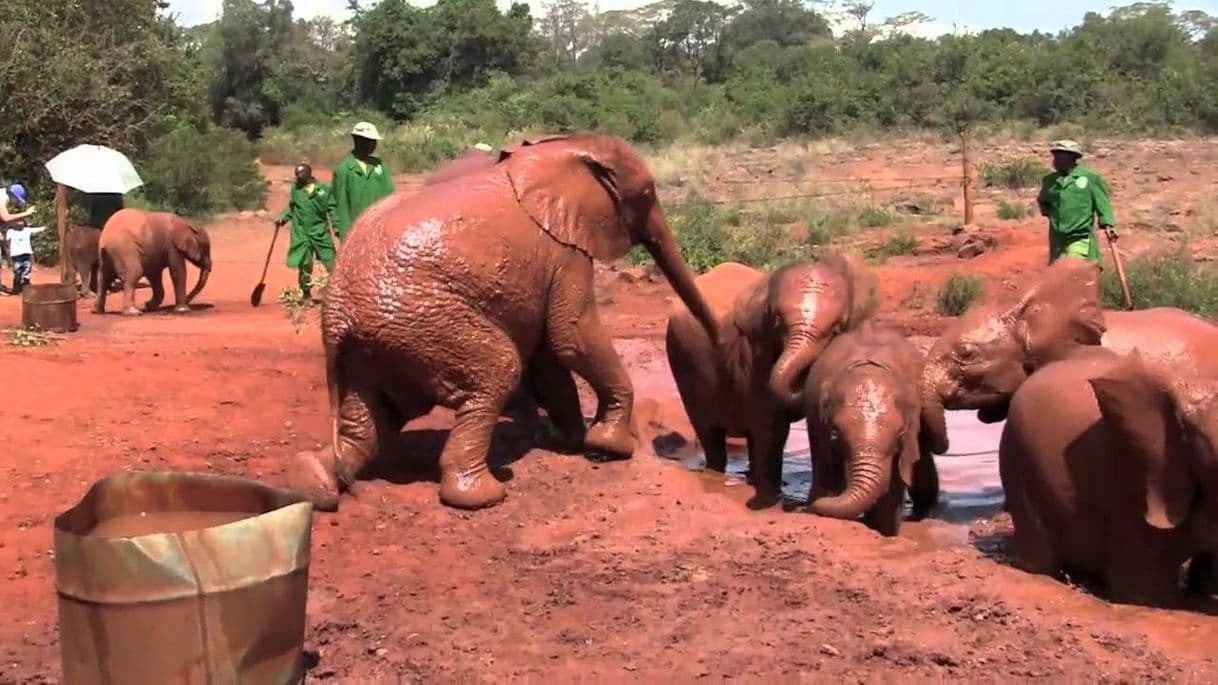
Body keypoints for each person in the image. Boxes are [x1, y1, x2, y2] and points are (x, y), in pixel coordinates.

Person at [1037, 140, 1117, 268]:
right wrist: (1053, 214)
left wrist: (1107, 222)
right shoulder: (1049, 181)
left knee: (1073, 268)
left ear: (1072, 158)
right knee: (1058, 273)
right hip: (1057, 237)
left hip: (1080, 235)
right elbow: (1043, 202)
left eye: (1060, 157)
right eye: (1055, 156)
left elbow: (1102, 202)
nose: (1056, 160)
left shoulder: (1089, 177)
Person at [276, 163, 337, 304]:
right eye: (296, 174)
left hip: (320, 231)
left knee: (331, 261)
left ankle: (336, 293)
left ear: (308, 174)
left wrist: (337, 226)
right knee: (305, 264)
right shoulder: (296, 190)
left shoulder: (324, 190)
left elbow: (332, 208)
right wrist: (282, 218)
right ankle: (306, 294)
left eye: (300, 174)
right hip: (302, 232)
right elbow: (292, 208)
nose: (297, 177)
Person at [331, 121, 394, 242]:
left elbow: (390, 197)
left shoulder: (379, 166)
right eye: (371, 141)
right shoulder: (344, 171)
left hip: (379, 229)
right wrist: (343, 232)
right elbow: (340, 205)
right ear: (358, 140)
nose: (375, 144)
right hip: (355, 233)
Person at [5, 221, 47, 295]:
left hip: (26, 254)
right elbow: (8, 243)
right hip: (16, 255)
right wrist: (9, 253)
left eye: (21, 222)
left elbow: (38, 229)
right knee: (18, 272)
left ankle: (25, 288)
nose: (20, 224)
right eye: (18, 222)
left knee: (26, 272)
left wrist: (46, 227)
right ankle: (17, 289)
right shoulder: (10, 231)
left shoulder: (27, 230)